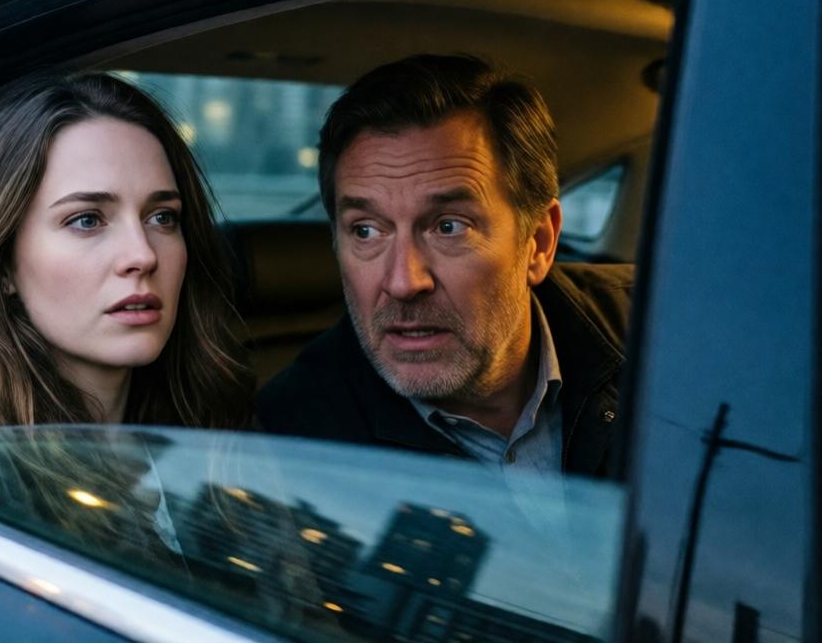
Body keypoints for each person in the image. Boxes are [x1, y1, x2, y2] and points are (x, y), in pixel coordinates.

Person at [256, 54, 632, 478]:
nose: (403, 282)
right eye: (365, 231)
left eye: (449, 226)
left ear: (539, 243)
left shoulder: (665, 335)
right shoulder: (287, 445)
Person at [0, 72, 252, 450]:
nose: (143, 255)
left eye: (162, 217)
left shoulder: (213, 422)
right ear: (3, 263)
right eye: (86, 220)